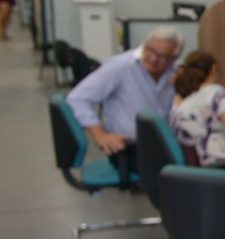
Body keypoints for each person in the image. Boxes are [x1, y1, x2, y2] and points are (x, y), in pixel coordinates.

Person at [66, 27, 184, 175]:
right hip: (130, 149)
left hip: (165, 144)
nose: (153, 59)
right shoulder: (121, 66)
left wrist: (186, 85)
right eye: (150, 50)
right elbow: (77, 98)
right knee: (190, 170)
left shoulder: (177, 71)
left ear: (174, 58)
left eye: (162, 56)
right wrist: (100, 135)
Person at [168, 51, 225, 167]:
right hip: (221, 162)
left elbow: (216, 111)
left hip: (198, 167)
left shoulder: (181, 98)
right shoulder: (216, 93)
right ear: (214, 69)